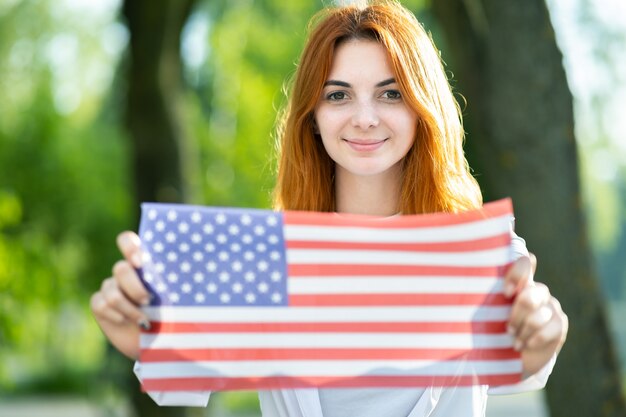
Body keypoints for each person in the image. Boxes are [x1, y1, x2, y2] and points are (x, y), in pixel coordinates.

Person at [90, 1, 568, 415]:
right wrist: (141, 331)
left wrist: (544, 331)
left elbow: (526, 366)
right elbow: (184, 373)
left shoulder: (478, 248)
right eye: (338, 95)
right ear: (313, 118)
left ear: (423, 108)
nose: (364, 118)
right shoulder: (268, 256)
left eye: (391, 93)